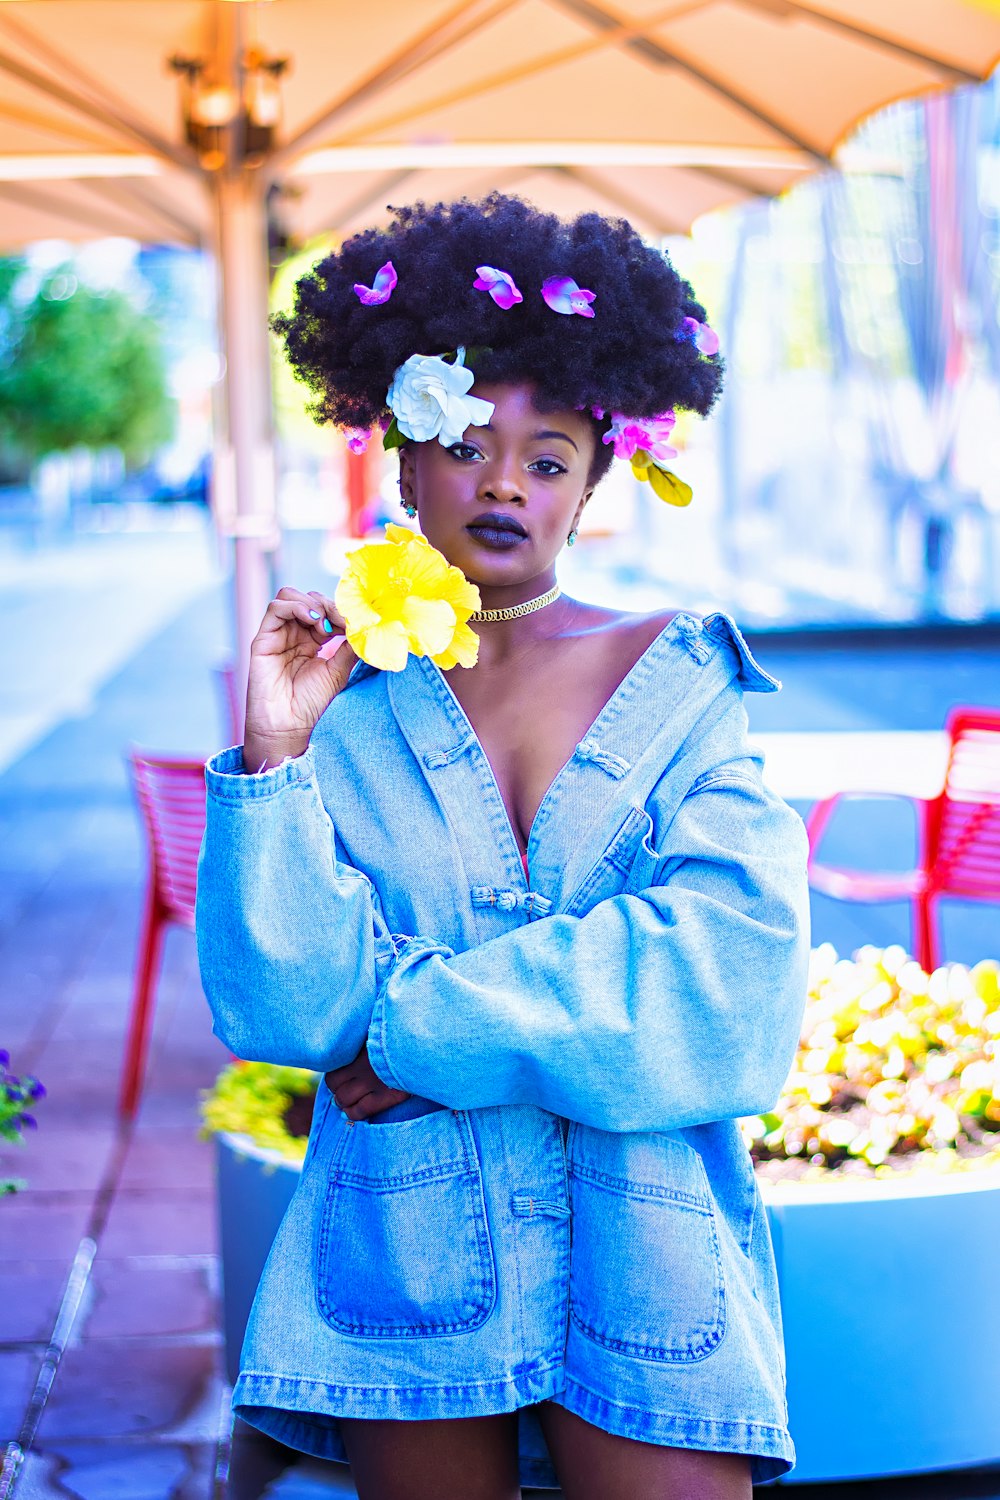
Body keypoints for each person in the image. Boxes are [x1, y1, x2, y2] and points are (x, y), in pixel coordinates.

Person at [196, 194, 810, 1500]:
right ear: (400, 455)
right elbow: (286, 1009)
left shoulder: (679, 675)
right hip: (406, 1241)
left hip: (649, 1252)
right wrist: (274, 759)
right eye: (470, 444)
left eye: (550, 455)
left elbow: (730, 984)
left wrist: (409, 1024)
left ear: (595, 477)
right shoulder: (340, 705)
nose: (504, 484)